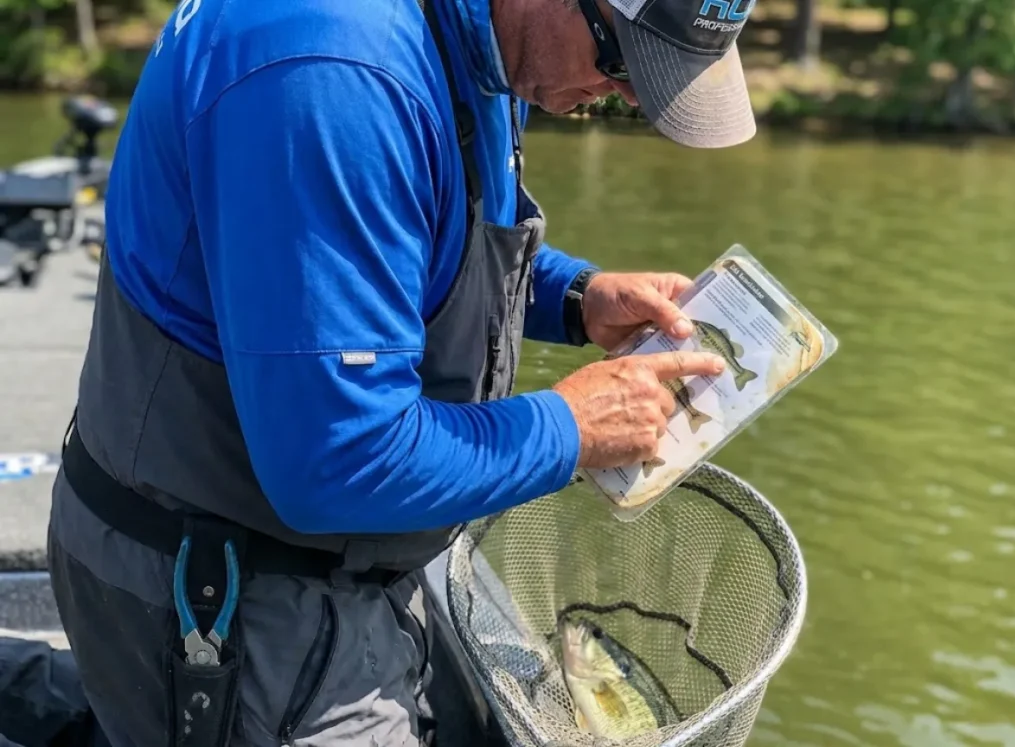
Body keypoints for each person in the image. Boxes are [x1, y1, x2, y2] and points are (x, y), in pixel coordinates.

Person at [46, 0, 757, 744]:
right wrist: (570, 426)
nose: (634, 98)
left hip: (330, 553)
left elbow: (397, 242)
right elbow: (338, 459)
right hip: (224, 585)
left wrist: (574, 298)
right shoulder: (334, 74)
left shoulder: (473, 33)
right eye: (621, 60)